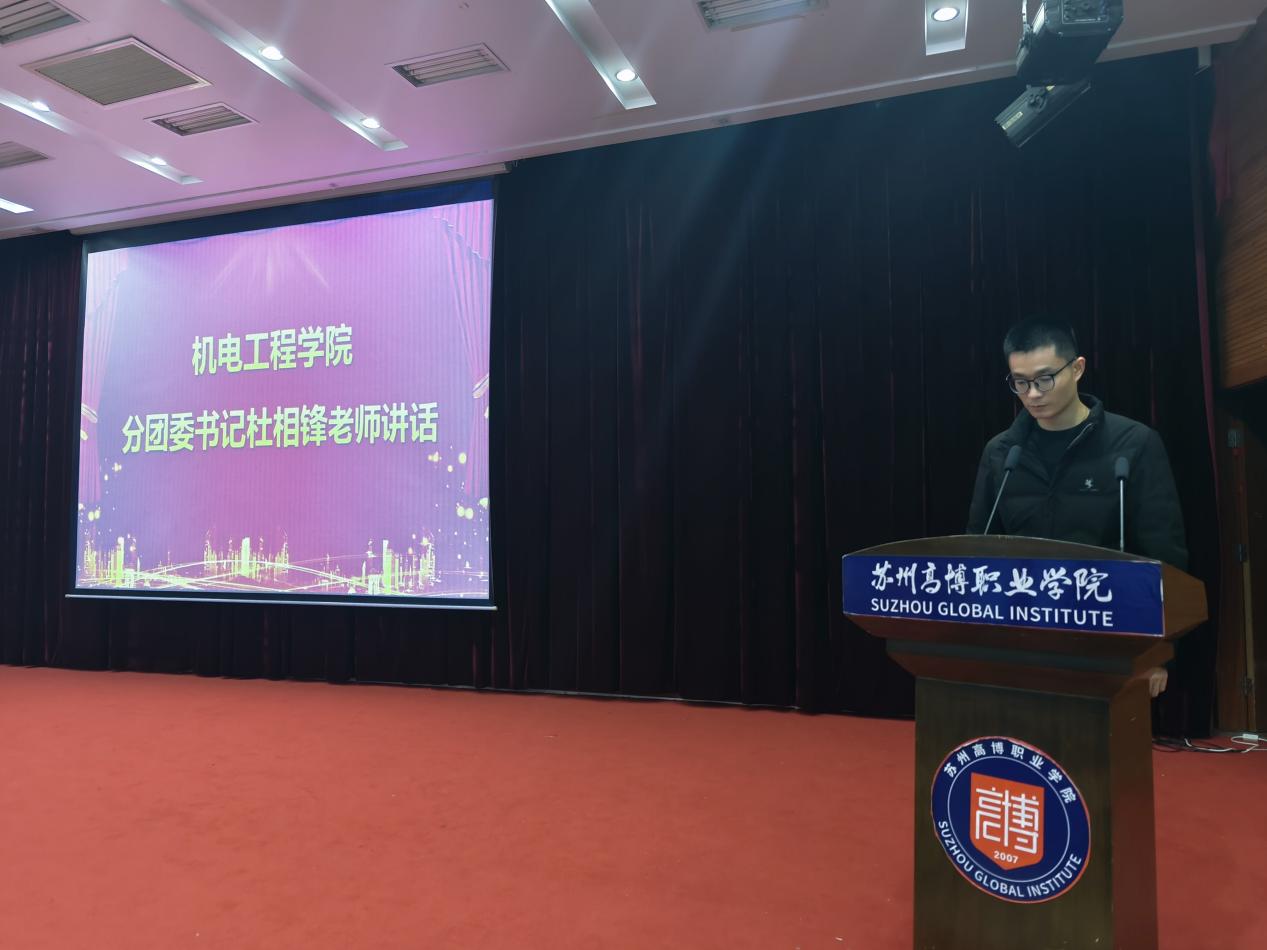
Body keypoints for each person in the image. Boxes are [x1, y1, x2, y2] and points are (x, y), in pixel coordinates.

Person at [966, 318, 1187, 697]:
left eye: (1044, 379)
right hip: (1019, 641)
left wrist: (1157, 651)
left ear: (1077, 368)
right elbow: (977, 548)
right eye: (1020, 382)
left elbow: (1164, 554)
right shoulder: (1002, 453)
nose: (1032, 394)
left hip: (1107, 640)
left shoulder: (1132, 444)